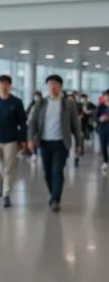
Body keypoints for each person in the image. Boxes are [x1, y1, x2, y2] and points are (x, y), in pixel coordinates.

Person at [28, 75, 83, 212]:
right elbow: (33, 123)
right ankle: (53, 193)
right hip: (45, 143)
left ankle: (55, 199)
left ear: (60, 87)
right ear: (47, 87)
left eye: (56, 84)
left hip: (60, 143)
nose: (53, 87)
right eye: (50, 84)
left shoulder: (68, 104)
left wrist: (79, 143)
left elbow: (76, 125)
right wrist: (30, 139)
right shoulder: (41, 103)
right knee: (47, 173)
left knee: (57, 171)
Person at [0, 75, 27, 207]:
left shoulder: (16, 102)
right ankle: (2, 184)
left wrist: (23, 140)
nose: (3, 86)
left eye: (6, 84)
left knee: (9, 169)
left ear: (10, 86)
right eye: (1, 84)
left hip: (11, 140)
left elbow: (23, 123)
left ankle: (6, 194)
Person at [96, 90, 109, 173]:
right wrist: (100, 119)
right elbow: (95, 117)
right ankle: (105, 162)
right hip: (103, 129)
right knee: (103, 146)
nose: (107, 97)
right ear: (103, 97)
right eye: (106, 95)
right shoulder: (101, 106)